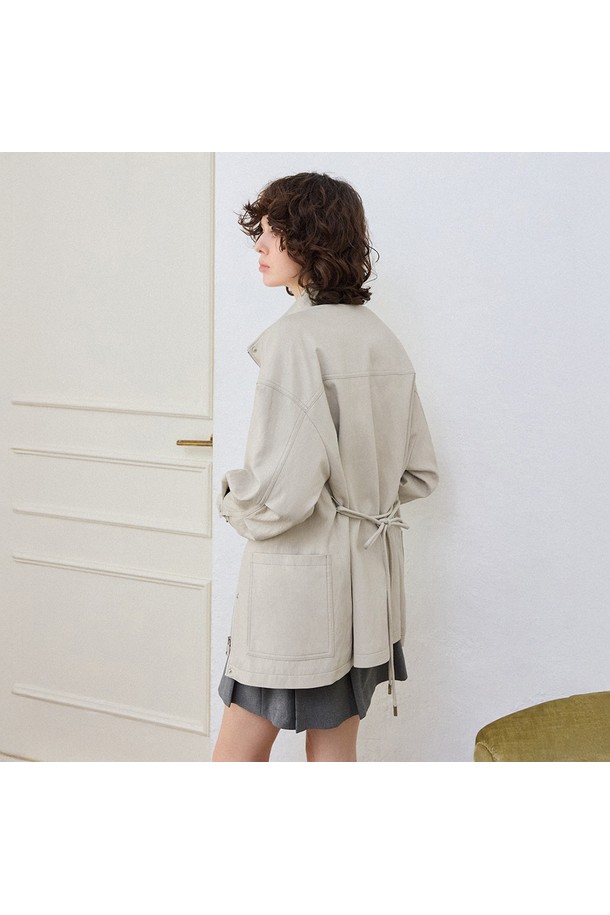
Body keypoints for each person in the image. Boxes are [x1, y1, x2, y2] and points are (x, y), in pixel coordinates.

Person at [212, 172, 439, 762]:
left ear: (311, 241)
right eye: (260, 232)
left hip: (300, 593)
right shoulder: (380, 336)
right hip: (370, 590)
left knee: (235, 755)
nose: (259, 245)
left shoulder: (295, 340)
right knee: (335, 752)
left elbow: (276, 496)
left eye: (274, 232)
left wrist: (230, 499)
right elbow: (417, 473)